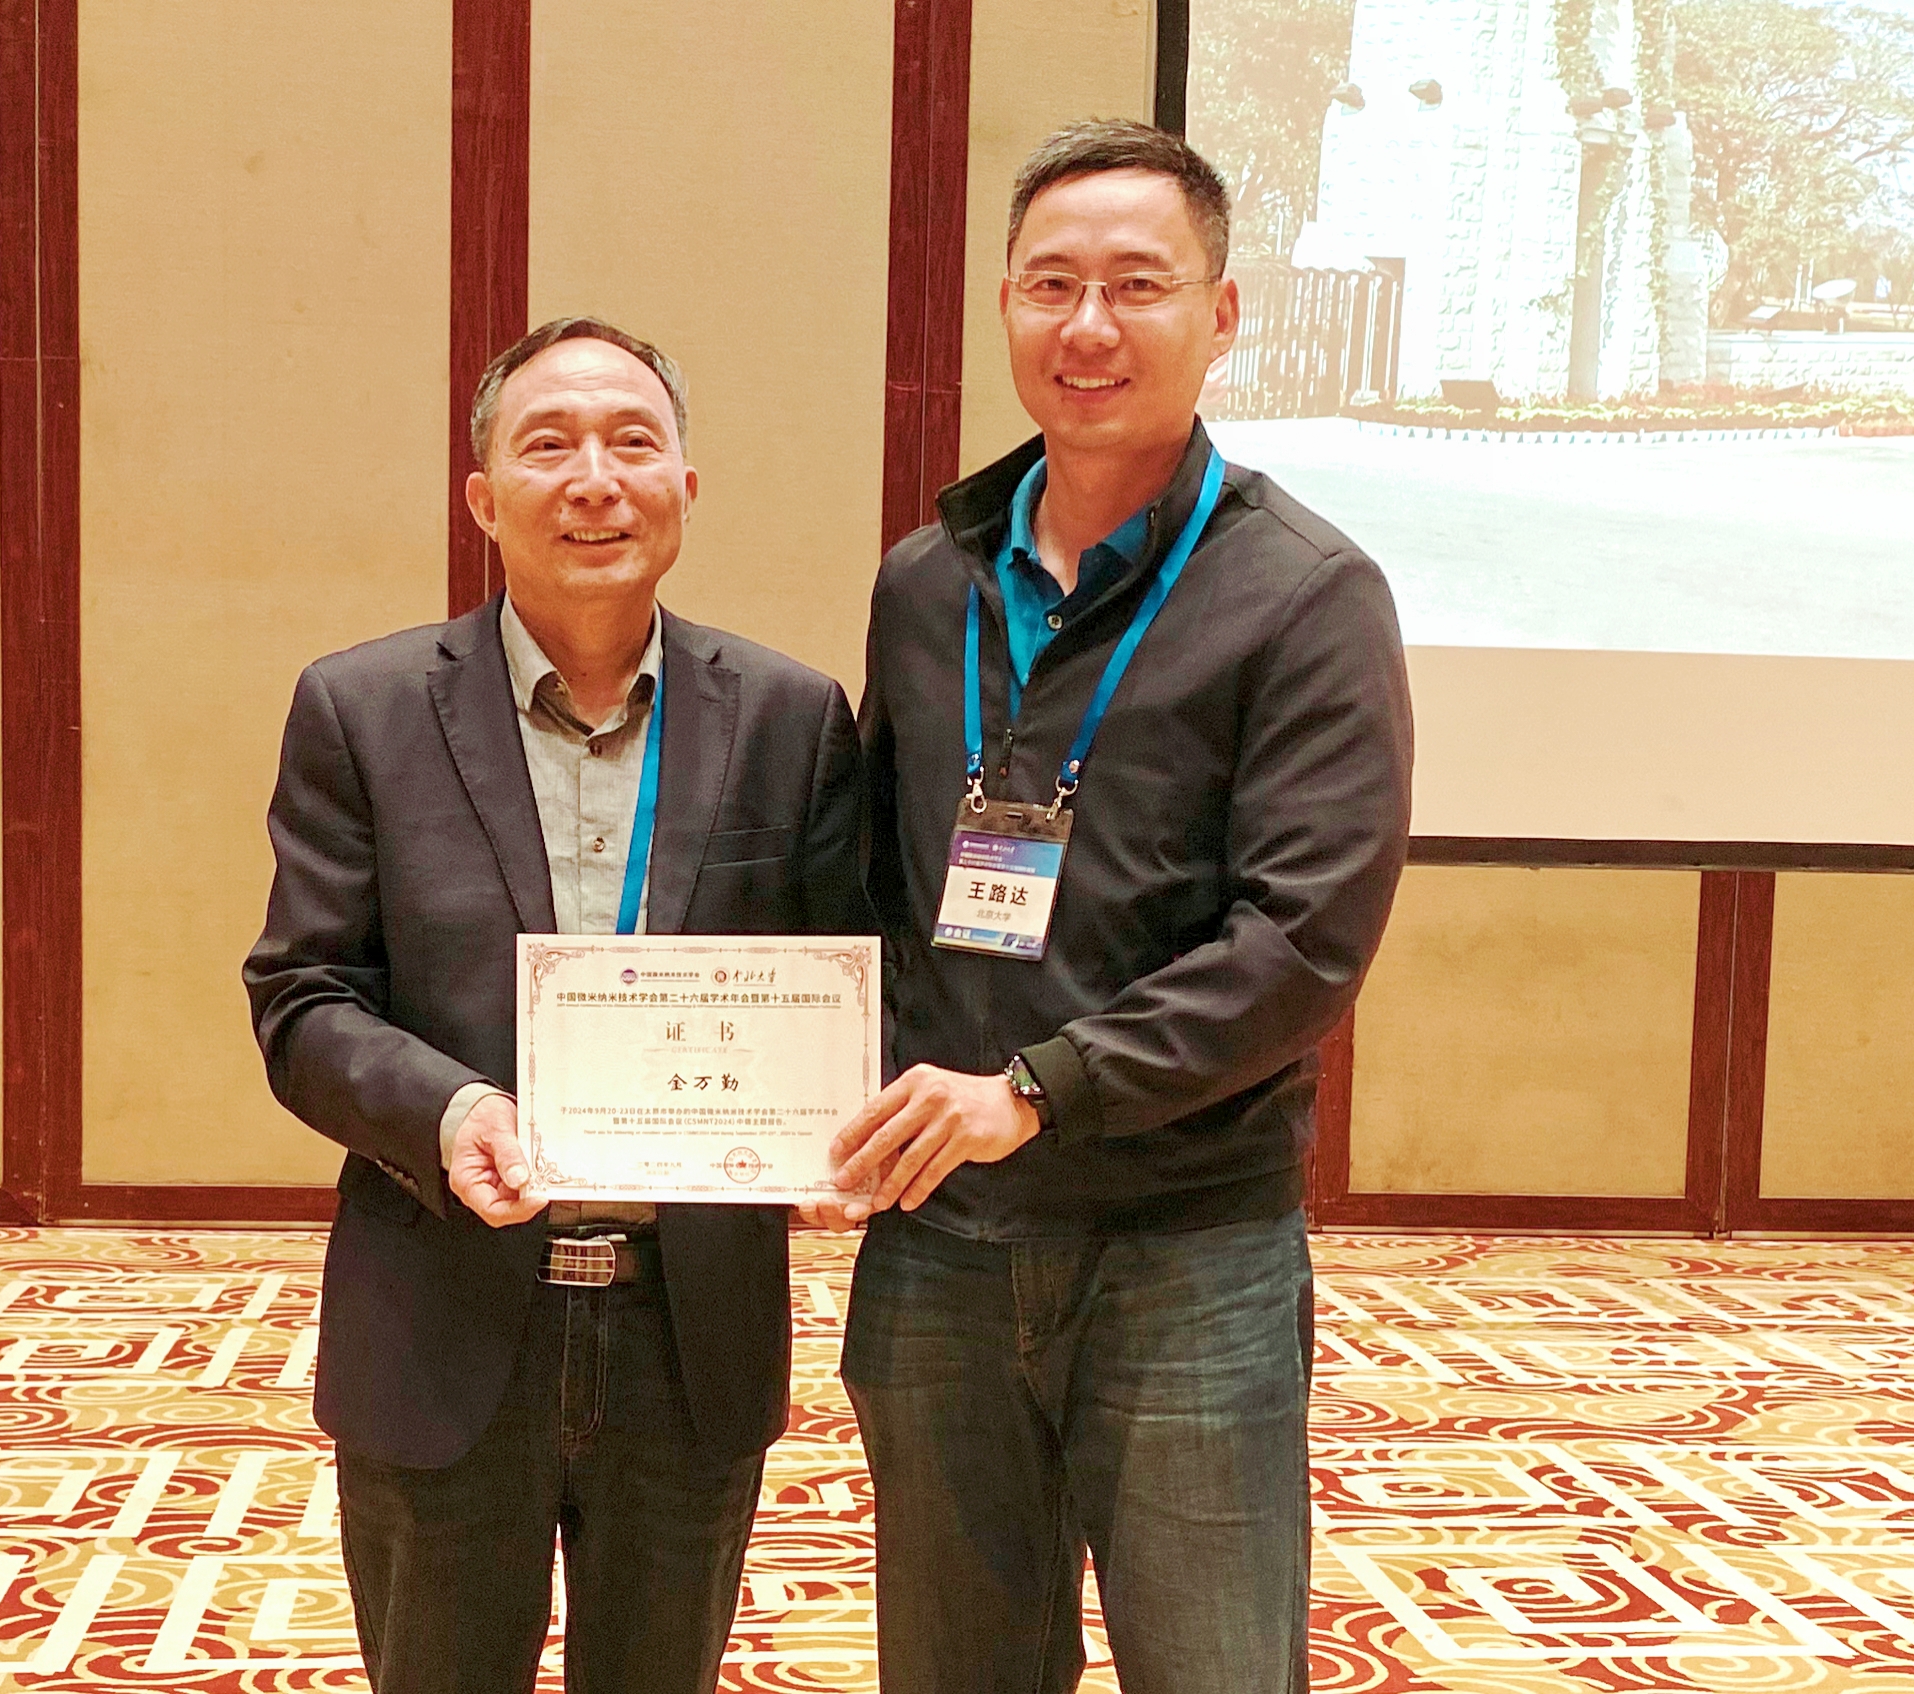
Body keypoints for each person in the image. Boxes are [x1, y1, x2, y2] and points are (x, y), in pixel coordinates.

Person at [828, 120, 1415, 1693]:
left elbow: (1302, 940)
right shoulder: (927, 582)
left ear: (1219, 316)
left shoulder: (1303, 594)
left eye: (1135, 285)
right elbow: (872, 890)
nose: (1087, 325)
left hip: (1185, 1247)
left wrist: (1034, 1090)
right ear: (1005, 305)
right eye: (1051, 285)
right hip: (941, 1242)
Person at [244, 316, 868, 1694]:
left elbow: (846, 983)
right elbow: (303, 995)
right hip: (444, 1317)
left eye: (633, 441)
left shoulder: (790, 716)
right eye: (549, 445)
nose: (595, 479)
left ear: (685, 487)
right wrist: (449, 1109)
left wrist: (844, 1128)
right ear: (482, 497)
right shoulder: (361, 708)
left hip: (690, 1335)